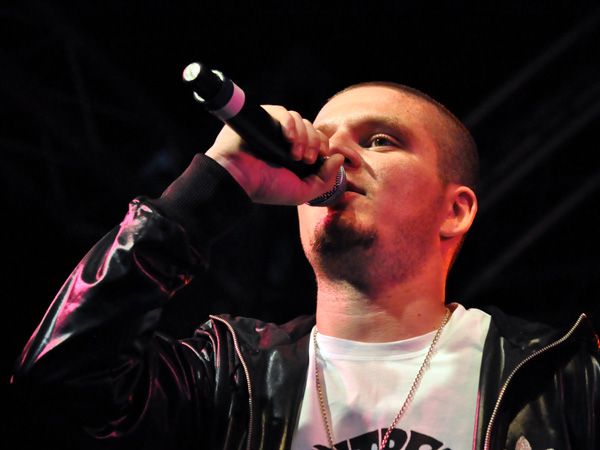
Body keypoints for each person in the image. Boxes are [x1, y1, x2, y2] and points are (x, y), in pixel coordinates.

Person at [11, 82, 600, 450]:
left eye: (379, 140)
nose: (333, 153)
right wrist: (216, 183)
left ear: (456, 210)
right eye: (323, 138)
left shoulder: (565, 379)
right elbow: (61, 380)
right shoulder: (230, 376)